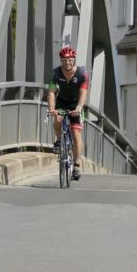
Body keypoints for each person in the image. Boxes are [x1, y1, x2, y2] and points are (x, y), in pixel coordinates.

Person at [47, 45, 89, 181]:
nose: (67, 63)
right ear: (61, 61)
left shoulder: (82, 73)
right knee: (57, 118)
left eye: (70, 60)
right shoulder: (55, 73)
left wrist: (79, 108)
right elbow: (51, 92)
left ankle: (76, 166)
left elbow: (83, 92)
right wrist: (52, 109)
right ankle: (59, 140)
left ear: (74, 60)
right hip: (62, 102)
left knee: (76, 133)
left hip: (76, 104)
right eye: (65, 60)